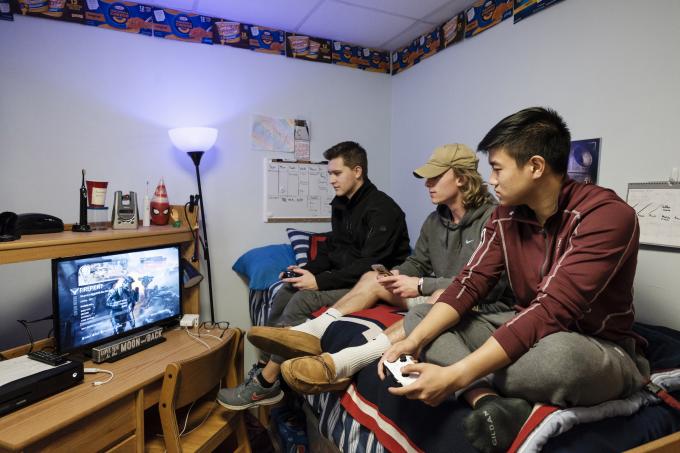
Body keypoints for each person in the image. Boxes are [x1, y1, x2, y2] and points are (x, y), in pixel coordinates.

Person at [377, 107, 649, 453]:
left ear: (535, 166)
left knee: (562, 360)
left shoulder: (607, 216)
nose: (491, 180)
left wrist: (455, 376)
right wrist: (414, 342)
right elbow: (469, 283)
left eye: (497, 168)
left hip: (590, 344)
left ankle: (473, 385)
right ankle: (491, 400)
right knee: (419, 319)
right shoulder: (505, 215)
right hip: (525, 327)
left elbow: (551, 310)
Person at [259, 144, 512, 393]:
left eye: (435, 177)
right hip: (438, 290)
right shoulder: (435, 221)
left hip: (473, 302)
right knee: (373, 277)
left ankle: (344, 361)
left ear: (461, 178)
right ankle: (314, 330)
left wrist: (423, 284)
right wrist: (398, 275)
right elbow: (418, 262)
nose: (427, 184)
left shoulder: (493, 219)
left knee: (437, 298)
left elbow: (486, 286)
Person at [218, 140, 411, 410]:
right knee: (285, 289)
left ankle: (266, 383)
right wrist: (308, 270)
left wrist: (318, 282)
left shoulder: (383, 210)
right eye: (329, 173)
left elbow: (370, 264)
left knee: (302, 300)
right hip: (347, 275)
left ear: (357, 171)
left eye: (336, 173)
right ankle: (264, 363)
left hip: (374, 282)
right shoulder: (341, 204)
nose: (331, 180)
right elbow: (333, 249)